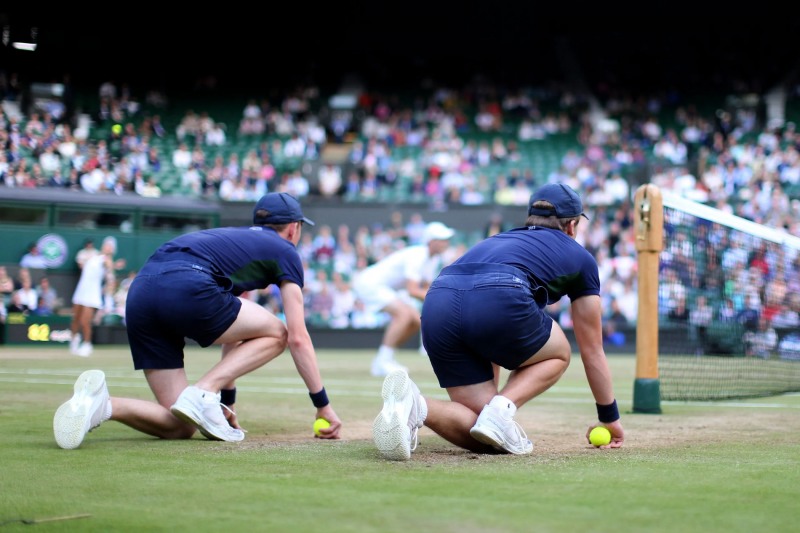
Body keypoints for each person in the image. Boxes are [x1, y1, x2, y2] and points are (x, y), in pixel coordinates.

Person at [53, 192, 342, 450]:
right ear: (294, 228)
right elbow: (297, 337)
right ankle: (203, 392)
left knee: (180, 425)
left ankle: (100, 405)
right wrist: (322, 406)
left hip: (140, 294)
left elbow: (238, 335)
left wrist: (227, 403)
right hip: (187, 284)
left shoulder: (233, 243)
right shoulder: (286, 250)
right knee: (278, 333)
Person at [372, 183, 625, 460]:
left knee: (484, 433)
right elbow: (592, 349)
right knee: (560, 353)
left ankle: (414, 405)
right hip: (499, 296)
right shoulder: (582, 259)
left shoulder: (497, 240)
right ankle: (502, 408)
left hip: (437, 300)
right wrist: (609, 417)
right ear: (572, 226)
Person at [352, 221, 455, 377]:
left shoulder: (432, 260)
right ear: (431, 241)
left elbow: (427, 290)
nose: (445, 243)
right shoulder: (418, 255)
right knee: (404, 314)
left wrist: (438, 305)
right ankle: (383, 361)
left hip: (383, 288)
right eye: (442, 239)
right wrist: (444, 302)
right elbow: (413, 290)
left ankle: (384, 358)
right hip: (368, 283)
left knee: (416, 321)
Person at [68, 236, 126, 357]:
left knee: (85, 321)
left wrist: (114, 266)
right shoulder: (94, 255)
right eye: (106, 245)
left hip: (92, 293)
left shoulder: (107, 260)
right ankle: (74, 341)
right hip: (81, 290)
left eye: (110, 246)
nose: (107, 247)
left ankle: (87, 344)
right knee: (75, 319)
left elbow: (109, 266)